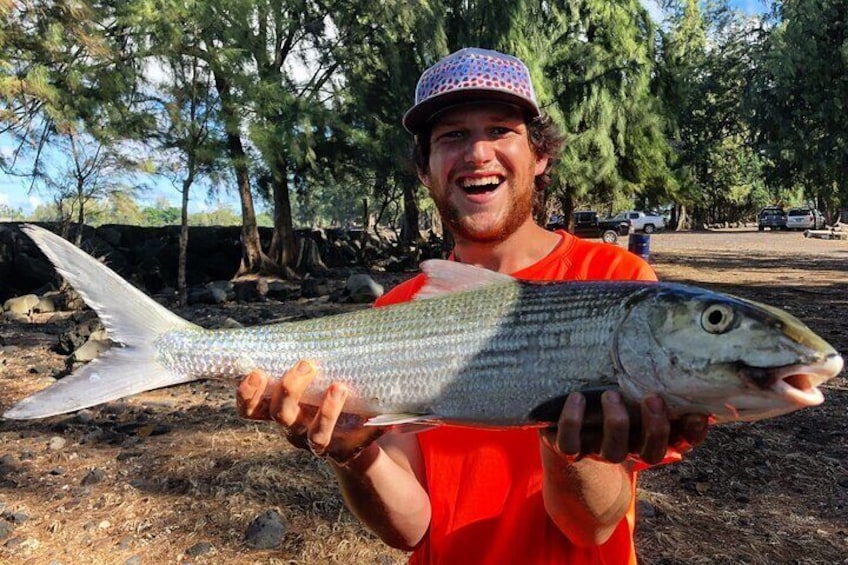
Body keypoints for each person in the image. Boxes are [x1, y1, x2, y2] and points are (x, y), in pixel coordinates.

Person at [236, 47, 709, 564]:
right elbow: (411, 528)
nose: (478, 153)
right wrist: (353, 453)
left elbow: (590, 529)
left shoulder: (616, 283)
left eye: (501, 129)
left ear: (540, 154)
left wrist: (572, 451)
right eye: (453, 136)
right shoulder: (397, 312)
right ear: (425, 169)